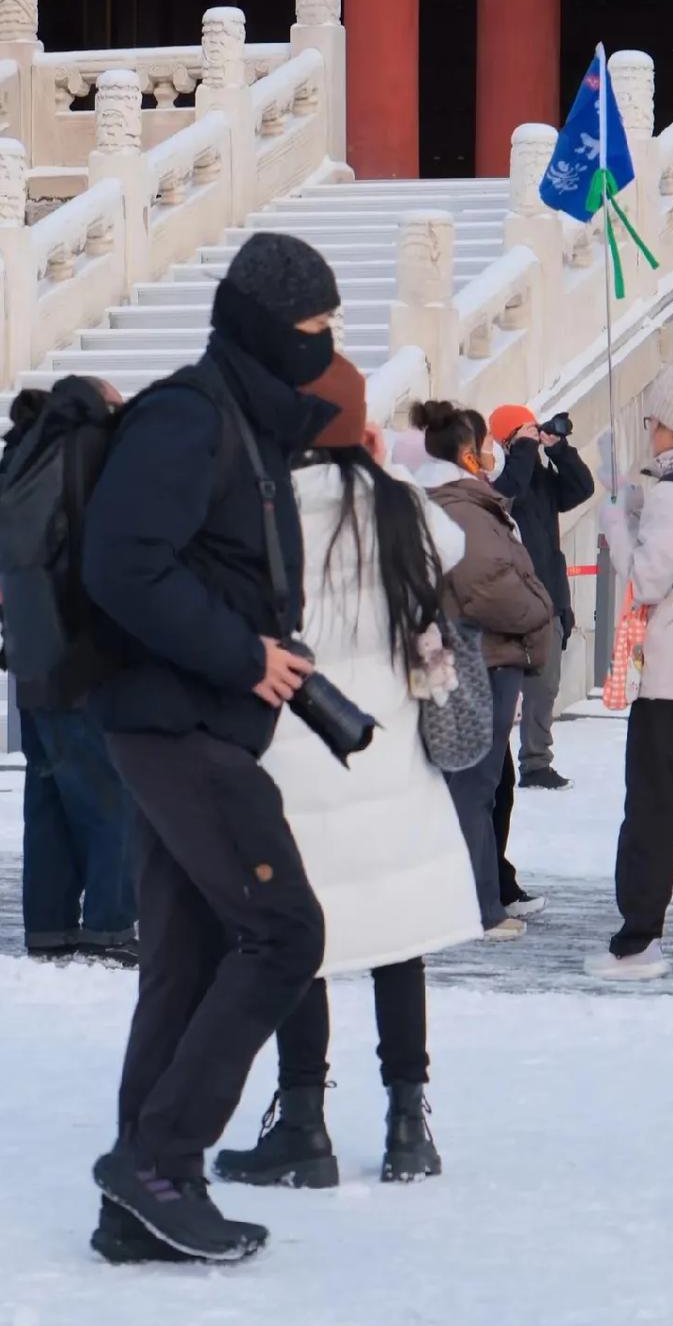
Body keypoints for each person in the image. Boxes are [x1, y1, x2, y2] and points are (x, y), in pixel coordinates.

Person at [80, 231, 340, 1266]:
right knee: (282, 932)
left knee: (187, 957)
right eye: (312, 331)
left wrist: (264, 645)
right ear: (264, 325)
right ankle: (159, 1157)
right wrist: (240, 654)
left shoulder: (239, 422)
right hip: (174, 718)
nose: (322, 349)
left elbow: (204, 565)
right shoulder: (188, 416)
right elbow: (120, 564)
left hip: (199, 713)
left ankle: (137, 1198)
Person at [215, 358, 480, 1191]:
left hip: (300, 749)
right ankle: (409, 1122)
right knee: (397, 944)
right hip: (390, 750)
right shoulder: (397, 504)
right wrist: (384, 463)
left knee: (307, 944)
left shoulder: (266, 506)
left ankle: (302, 1122)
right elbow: (457, 544)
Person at [0, 377, 136, 966]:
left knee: (47, 799)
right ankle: (110, 926)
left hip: (29, 656)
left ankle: (47, 926)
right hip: (81, 656)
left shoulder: (24, 452)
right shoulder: (88, 455)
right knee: (110, 796)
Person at [587, 364, 673, 981]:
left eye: (653, 421)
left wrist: (618, 522)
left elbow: (647, 580)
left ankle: (639, 943)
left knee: (652, 816)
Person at [412, 402, 554, 942]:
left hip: (471, 656)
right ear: (469, 454)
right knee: (474, 787)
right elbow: (487, 586)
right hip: (480, 658)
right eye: (488, 446)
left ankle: (472, 899)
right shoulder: (464, 508)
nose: (495, 453)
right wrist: (538, 609)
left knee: (471, 785)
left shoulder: (460, 502)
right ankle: (479, 907)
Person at [489, 402, 595, 790]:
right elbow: (506, 493)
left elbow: (582, 489)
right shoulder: (497, 473)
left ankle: (535, 762)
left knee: (544, 686)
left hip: (549, 594)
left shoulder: (540, 476)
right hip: (509, 598)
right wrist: (520, 449)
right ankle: (490, 763)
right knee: (501, 689)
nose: (535, 437)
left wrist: (559, 451)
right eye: (526, 431)